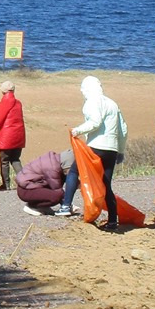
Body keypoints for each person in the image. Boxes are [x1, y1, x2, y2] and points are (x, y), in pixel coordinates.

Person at [57, 76, 127, 230]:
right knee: (105, 183)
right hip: (111, 149)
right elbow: (123, 129)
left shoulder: (91, 102)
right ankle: (112, 221)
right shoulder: (112, 103)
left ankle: (66, 205)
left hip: (96, 146)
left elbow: (95, 122)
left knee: (74, 171)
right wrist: (120, 151)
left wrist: (78, 130)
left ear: (86, 89)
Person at [16, 148, 72, 216]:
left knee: (59, 189)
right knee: (57, 196)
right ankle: (33, 206)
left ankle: (42, 206)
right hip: (26, 190)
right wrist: (67, 205)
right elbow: (57, 190)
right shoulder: (53, 168)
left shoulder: (54, 160)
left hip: (31, 186)